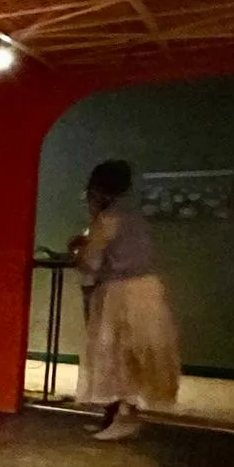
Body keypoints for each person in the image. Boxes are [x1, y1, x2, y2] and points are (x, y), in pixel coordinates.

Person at [72, 159, 180, 441]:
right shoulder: (135, 217)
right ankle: (116, 415)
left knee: (117, 354)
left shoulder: (107, 220)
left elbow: (92, 261)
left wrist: (78, 252)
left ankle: (124, 416)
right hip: (147, 290)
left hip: (120, 292)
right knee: (136, 353)